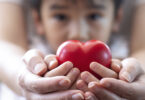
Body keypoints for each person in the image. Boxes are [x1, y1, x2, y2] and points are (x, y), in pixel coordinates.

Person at [0, 0, 145, 100]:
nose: (78, 33)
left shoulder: (122, 59)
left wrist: (136, 75)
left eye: (94, 16)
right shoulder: (35, 57)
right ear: (38, 20)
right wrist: (24, 77)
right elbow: (5, 45)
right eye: (60, 16)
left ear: (117, 19)